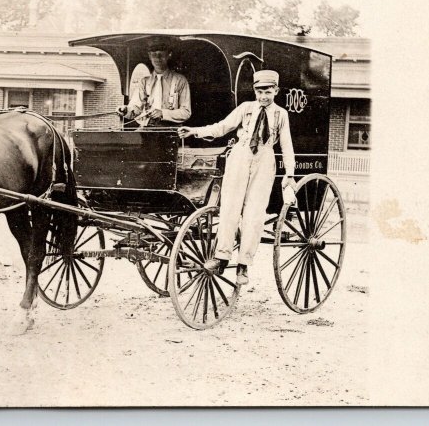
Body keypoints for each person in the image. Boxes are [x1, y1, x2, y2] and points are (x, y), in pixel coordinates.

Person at [177, 69, 296, 285]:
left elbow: (287, 145)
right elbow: (222, 127)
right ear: (254, 90)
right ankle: (222, 257)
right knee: (230, 207)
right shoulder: (246, 108)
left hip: (264, 159)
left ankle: (243, 265)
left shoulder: (281, 114)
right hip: (240, 157)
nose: (263, 96)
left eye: (268, 92)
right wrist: (194, 131)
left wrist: (290, 173)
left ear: (276, 91)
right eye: (259, 91)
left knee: (254, 213)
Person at [117, 39, 191, 127]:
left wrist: (163, 113)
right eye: (154, 55)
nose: (157, 58)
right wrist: (126, 110)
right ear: (149, 56)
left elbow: (186, 112)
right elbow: (136, 108)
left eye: (161, 54)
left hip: (171, 131)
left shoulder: (180, 81)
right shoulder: (144, 82)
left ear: (169, 55)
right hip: (147, 130)